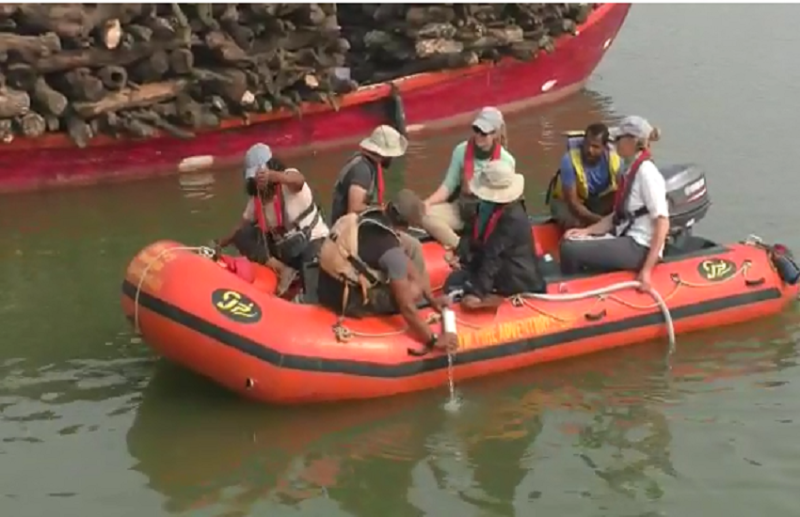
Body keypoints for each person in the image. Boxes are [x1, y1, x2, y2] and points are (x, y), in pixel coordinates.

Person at [316, 201, 457, 355]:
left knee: (413, 252)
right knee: (413, 290)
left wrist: (431, 299)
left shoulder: (371, 217)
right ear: (406, 226)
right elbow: (406, 307)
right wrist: (433, 339)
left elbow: (406, 262)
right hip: (346, 299)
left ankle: (425, 297)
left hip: (325, 283)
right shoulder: (391, 251)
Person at [558, 116, 668, 290]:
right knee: (571, 239)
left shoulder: (647, 173)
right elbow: (616, 217)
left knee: (570, 249)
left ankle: (570, 291)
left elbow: (662, 222)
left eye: (618, 139)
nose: (614, 143)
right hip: (625, 235)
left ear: (633, 141)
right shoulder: (630, 169)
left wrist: (646, 270)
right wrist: (586, 232)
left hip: (639, 245)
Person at [215, 143, 329, 296]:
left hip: (311, 242)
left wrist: (274, 176)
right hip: (285, 250)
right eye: (254, 177)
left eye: (260, 174)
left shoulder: (288, 181)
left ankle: (305, 292)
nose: (258, 180)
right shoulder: (257, 199)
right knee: (243, 235)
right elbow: (240, 227)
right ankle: (283, 271)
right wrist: (219, 244)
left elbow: (298, 181)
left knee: (312, 268)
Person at [400, 107, 515, 250]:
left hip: (489, 216)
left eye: (484, 133)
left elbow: (507, 201)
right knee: (423, 215)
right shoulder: (461, 150)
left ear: (495, 134)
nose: (478, 135)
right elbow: (448, 186)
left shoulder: (506, 161)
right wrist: (427, 203)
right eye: (476, 130)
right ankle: (459, 247)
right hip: (461, 210)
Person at [445, 160, 545, 311]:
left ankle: (495, 300)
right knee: (454, 281)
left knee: (459, 286)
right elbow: (475, 236)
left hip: (515, 277)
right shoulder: (492, 209)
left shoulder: (512, 218)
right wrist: (463, 255)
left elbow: (494, 256)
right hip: (499, 266)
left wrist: (477, 292)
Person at [545, 123, 622, 230]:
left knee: (622, 205)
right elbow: (573, 203)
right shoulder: (569, 160)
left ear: (604, 147)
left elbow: (624, 192)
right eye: (587, 144)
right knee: (576, 224)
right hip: (565, 203)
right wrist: (602, 222)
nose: (589, 150)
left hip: (592, 200)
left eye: (595, 147)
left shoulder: (615, 160)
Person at [328, 124, 408, 225]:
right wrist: (381, 210)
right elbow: (354, 208)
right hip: (345, 230)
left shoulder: (366, 164)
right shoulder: (362, 170)